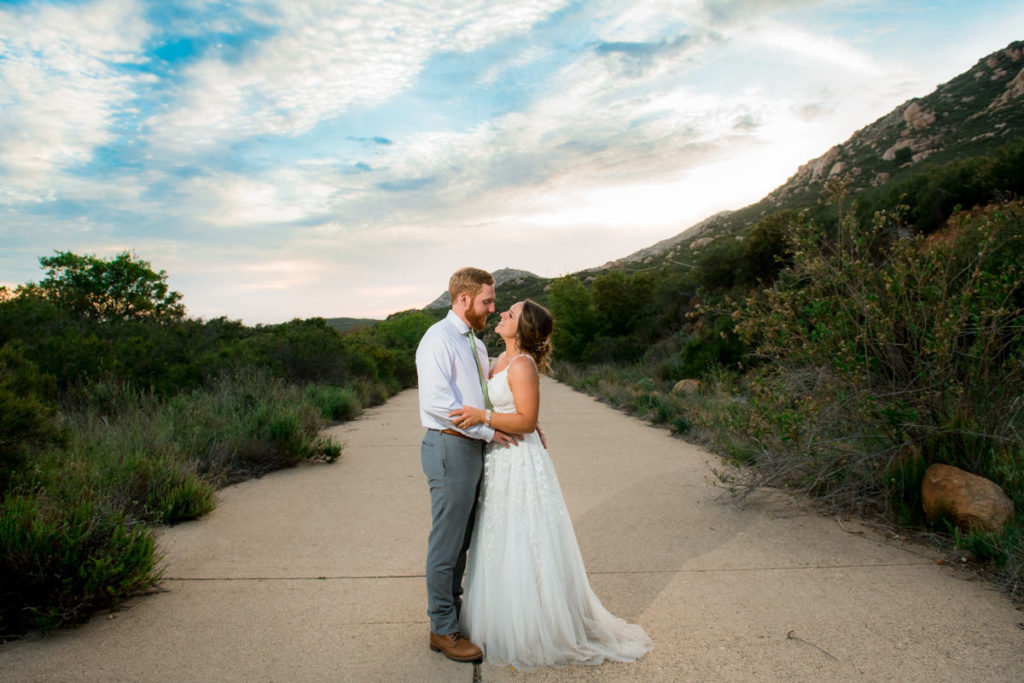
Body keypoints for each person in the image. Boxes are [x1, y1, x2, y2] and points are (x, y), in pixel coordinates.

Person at [450, 299, 654, 670]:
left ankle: (536, 628)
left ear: (523, 327)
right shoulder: (498, 360)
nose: (501, 315)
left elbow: (526, 422)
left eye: (509, 314)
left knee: (525, 537)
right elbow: (514, 412)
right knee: (500, 536)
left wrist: (485, 415)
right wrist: (500, 418)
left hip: (520, 462)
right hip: (498, 460)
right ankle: (502, 619)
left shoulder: (523, 364)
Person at [415, 267, 520, 664]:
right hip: (449, 447)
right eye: (487, 302)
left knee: (465, 539)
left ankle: (454, 615)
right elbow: (439, 406)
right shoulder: (437, 340)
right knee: (447, 541)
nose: (492, 309)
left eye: (493, 303)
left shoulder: (475, 345)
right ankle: (442, 628)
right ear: (464, 300)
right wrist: (492, 433)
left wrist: (512, 420)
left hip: (472, 448)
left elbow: (485, 400)